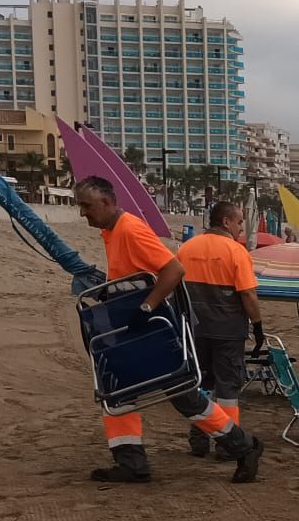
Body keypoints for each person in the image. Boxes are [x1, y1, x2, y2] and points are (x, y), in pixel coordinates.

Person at [73, 176, 263, 485]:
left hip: (150, 326)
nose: (83, 213)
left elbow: (174, 270)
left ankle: (243, 445)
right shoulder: (112, 231)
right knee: (121, 392)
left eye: (86, 205)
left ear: (107, 202)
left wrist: (146, 307)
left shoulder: (130, 229)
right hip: (137, 325)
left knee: (180, 394)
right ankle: (131, 462)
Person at [178, 200, 267, 458]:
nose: (241, 227)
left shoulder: (187, 248)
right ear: (226, 221)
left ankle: (199, 436)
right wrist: (258, 327)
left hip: (195, 330)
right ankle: (228, 442)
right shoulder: (235, 251)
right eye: (239, 221)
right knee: (227, 387)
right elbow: (248, 295)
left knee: (200, 384)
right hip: (227, 331)